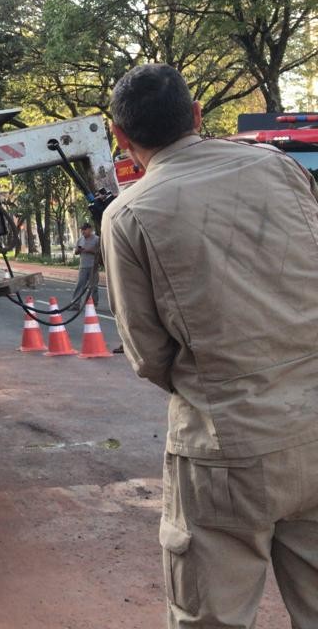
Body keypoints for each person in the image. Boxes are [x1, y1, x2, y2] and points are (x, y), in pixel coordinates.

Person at [103, 63, 318, 628]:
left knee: (210, 617)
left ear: (120, 136)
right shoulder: (280, 167)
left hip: (226, 449)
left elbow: (148, 354)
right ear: (198, 115)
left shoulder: (128, 214)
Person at [69, 222, 100, 310]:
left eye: (84, 230)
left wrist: (90, 250)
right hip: (83, 266)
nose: (83, 232)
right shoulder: (80, 240)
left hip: (93, 266)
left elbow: (100, 251)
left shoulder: (97, 239)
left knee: (93, 286)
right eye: (82, 230)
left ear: (90, 229)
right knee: (80, 285)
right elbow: (76, 252)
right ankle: (75, 304)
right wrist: (78, 250)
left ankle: (94, 304)